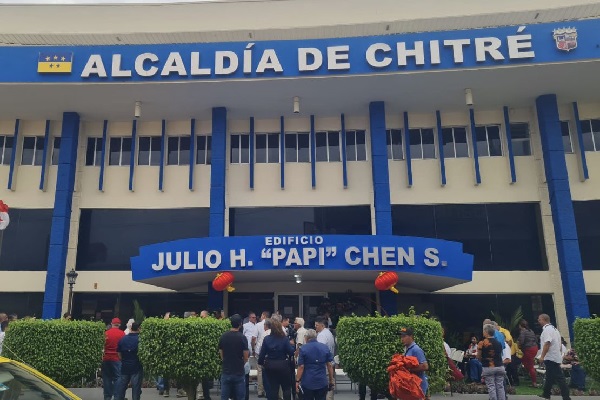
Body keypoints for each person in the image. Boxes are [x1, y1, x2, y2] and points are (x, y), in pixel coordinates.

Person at [258, 319, 295, 400]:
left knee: (273, 389)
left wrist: (261, 363)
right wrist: (292, 346)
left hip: (270, 365)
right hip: (283, 365)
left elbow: (262, 354)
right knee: (286, 388)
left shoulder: (267, 339)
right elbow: (291, 352)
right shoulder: (284, 339)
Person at [537, 314, 571, 400]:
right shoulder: (555, 329)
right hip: (555, 356)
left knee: (560, 378)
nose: (538, 321)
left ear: (544, 320)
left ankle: (566, 397)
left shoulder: (547, 330)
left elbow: (547, 343)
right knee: (549, 376)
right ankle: (546, 393)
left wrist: (542, 356)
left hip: (550, 357)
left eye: (539, 319)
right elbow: (559, 344)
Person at [295, 329, 334, 400]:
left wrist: (297, 381)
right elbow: (329, 365)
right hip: (322, 381)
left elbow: (301, 366)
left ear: (306, 338)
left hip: (307, 382)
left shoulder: (303, 349)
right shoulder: (324, 347)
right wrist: (331, 380)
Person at [219, 314, 248, 400]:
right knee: (240, 397)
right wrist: (242, 363)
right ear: (240, 324)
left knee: (224, 397)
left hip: (226, 370)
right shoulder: (242, 337)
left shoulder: (223, 336)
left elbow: (221, 353)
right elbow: (245, 356)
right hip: (239, 371)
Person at [477, 324, 505, 400]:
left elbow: (478, 356)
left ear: (486, 332)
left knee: (491, 386)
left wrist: (481, 360)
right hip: (500, 366)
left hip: (488, 367)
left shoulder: (481, 343)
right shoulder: (499, 343)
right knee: (500, 386)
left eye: (483, 331)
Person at [116, 322, 142, 400]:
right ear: (139, 329)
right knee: (136, 388)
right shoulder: (140, 340)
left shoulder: (123, 339)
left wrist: (123, 360)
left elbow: (119, 353)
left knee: (122, 386)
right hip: (136, 366)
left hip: (125, 366)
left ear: (130, 328)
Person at [400, 327, 428, 398]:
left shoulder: (416, 349)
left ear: (411, 337)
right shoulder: (407, 349)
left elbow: (425, 366)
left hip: (418, 386)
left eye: (404, 336)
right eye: (401, 337)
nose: (402, 339)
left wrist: (408, 370)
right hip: (411, 386)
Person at [103, 317, 125, 400]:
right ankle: (117, 397)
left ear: (112, 324)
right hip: (117, 359)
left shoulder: (106, 333)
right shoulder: (122, 334)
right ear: (119, 325)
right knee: (118, 378)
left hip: (106, 358)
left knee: (107, 378)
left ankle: (107, 397)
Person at [315, 316, 336, 400]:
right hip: (331, 362)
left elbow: (320, 350)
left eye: (317, 325)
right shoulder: (329, 333)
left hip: (324, 365)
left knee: (324, 389)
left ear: (322, 326)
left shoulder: (321, 335)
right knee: (330, 387)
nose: (315, 327)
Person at [517, 319, 539, 387]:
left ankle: (534, 382)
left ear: (520, 326)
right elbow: (536, 339)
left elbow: (521, 341)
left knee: (530, 365)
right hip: (535, 348)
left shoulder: (523, 332)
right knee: (527, 362)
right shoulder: (531, 331)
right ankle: (531, 375)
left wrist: (518, 344)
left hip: (528, 349)